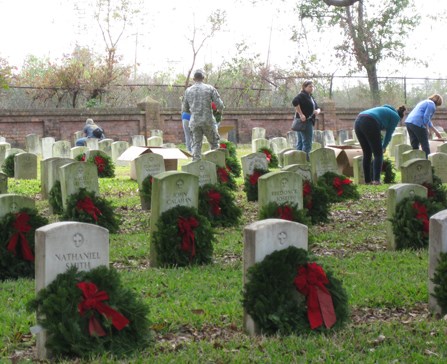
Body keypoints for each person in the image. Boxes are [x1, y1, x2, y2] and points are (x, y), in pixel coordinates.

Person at [354, 104, 406, 185]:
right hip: (370, 121)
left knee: (367, 153)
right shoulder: (395, 117)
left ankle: (367, 181)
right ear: (400, 118)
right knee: (378, 153)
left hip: (358, 120)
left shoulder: (386, 110)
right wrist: (384, 146)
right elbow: (389, 134)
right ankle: (376, 180)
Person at [182, 69, 224, 161]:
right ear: (203, 78)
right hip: (208, 121)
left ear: (193, 79)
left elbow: (185, 109)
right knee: (214, 145)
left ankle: (196, 169)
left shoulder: (188, 91)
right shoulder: (210, 88)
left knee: (196, 146)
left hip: (194, 122)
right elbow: (220, 105)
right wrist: (219, 112)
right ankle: (216, 167)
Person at [292, 80, 321, 160]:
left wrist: (317, 111)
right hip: (304, 122)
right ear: (304, 87)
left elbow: (318, 108)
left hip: (309, 121)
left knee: (301, 142)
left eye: (313, 86)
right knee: (307, 143)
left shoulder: (311, 97)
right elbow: (295, 102)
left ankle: (298, 160)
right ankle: (305, 161)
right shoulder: (302, 95)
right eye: (310, 86)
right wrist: (301, 114)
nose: (312, 88)